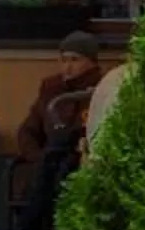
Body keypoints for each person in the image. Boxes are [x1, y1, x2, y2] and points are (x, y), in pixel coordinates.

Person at [14, 31, 104, 163]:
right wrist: (39, 158)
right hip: (48, 160)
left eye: (75, 60)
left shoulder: (101, 88)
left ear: (92, 62)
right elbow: (28, 130)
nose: (67, 67)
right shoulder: (51, 88)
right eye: (64, 60)